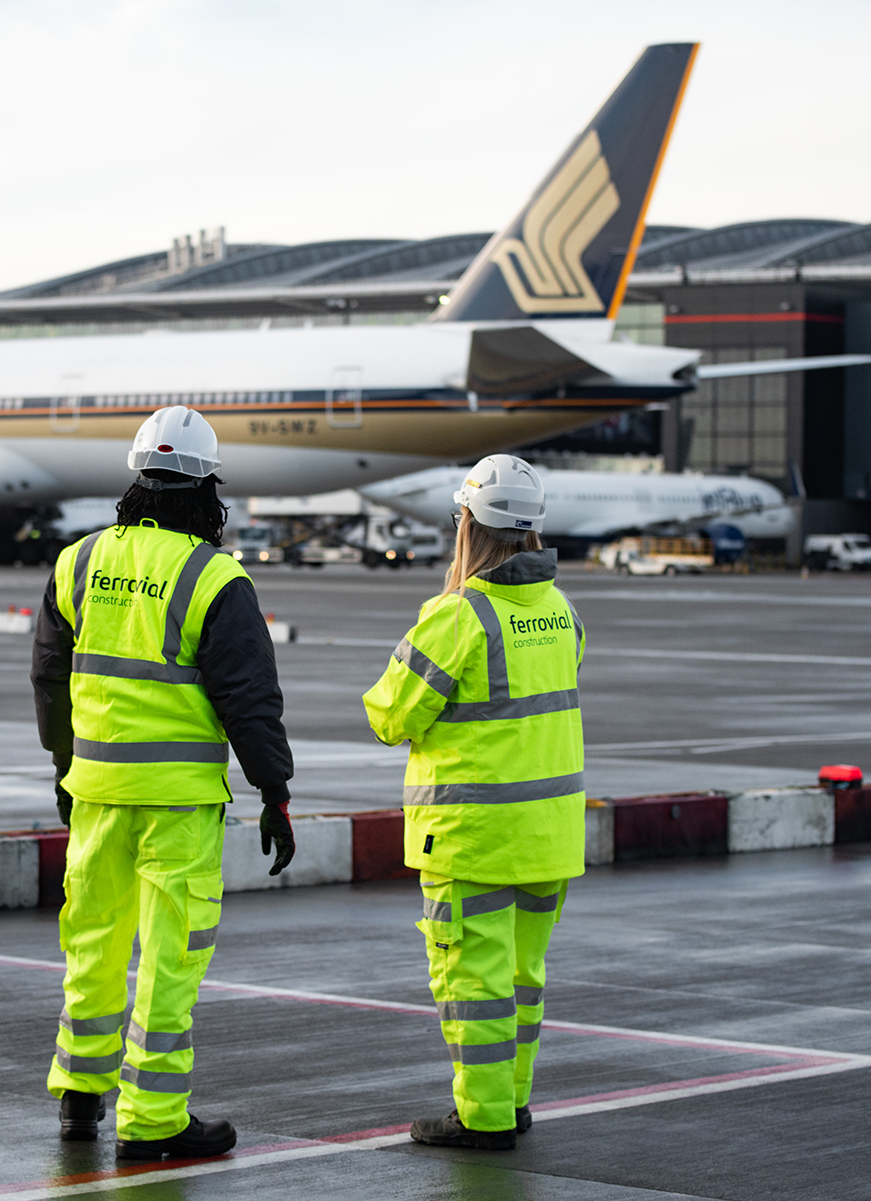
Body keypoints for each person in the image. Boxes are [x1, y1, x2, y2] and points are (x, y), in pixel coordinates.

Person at [31, 405, 296, 1161]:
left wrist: (64, 764)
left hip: (97, 793)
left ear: (135, 477)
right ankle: (152, 1121)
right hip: (177, 803)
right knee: (170, 961)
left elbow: (49, 679)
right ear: (207, 489)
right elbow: (250, 699)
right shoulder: (216, 577)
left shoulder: (77, 562)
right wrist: (273, 793)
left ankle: (81, 1098)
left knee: (94, 945)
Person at [360, 454, 586, 1151]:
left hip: (473, 836)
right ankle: (510, 1100)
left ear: (468, 524)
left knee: (473, 980)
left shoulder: (459, 615)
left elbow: (390, 714)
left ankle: (483, 1116)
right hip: (547, 835)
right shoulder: (560, 611)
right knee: (521, 981)